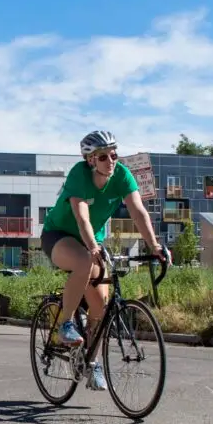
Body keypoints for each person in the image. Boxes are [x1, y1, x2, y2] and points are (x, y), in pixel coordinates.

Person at [40, 130, 169, 391]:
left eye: (113, 154)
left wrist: (155, 246)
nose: (110, 161)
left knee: (100, 304)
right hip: (60, 235)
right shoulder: (79, 174)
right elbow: (82, 218)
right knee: (85, 261)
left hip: (92, 242)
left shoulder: (121, 175)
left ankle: (93, 362)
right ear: (90, 160)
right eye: (103, 157)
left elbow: (139, 212)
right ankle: (66, 323)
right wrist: (92, 246)